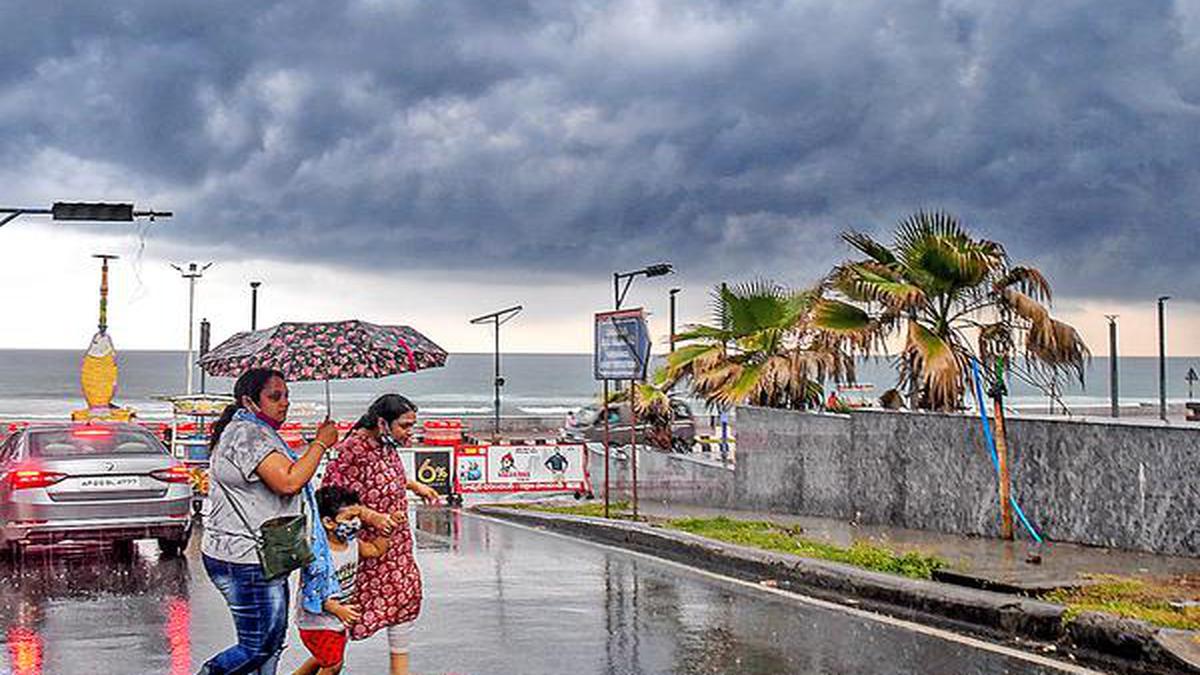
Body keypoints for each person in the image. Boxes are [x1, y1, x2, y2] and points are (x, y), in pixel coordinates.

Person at [198, 368, 340, 675]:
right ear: (249, 401)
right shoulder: (249, 434)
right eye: (275, 396)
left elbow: (282, 470)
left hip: (254, 554)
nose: (285, 403)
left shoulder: (249, 430)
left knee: (270, 644)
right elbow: (288, 481)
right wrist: (321, 444)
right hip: (248, 559)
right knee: (259, 645)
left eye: (287, 395)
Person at [322, 394, 440, 675]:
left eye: (412, 425)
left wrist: (413, 486)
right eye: (405, 426)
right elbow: (331, 498)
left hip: (396, 548)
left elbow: (385, 477)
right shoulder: (352, 450)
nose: (410, 432)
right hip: (365, 552)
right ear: (381, 423)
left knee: (404, 605)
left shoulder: (386, 445)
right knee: (339, 628)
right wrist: (372, 516)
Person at [293, 485, 390, 675]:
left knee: (323, 659)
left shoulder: (353, 544)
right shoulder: (318, 555)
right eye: (349, 518)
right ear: (328, 522)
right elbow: (313, 592)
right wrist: (338, 609)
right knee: (332, 665)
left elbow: (375, 550)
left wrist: (386, 532)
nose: (356, 523)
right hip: (316, 622)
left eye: (357, 517)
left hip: (335, 619)